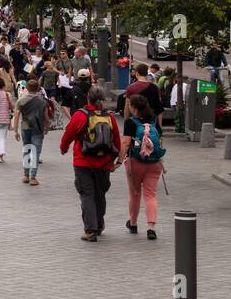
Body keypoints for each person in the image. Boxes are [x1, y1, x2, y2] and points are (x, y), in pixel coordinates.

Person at [59, 86, 122, 242]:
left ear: (88, 98)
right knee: (100, 195)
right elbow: (116, 141)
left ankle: (90, 230)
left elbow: (69, 134)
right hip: (104, 163)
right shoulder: (109, 117)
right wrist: (113, 161)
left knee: (87, 195)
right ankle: (99, 224)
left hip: (83, 162)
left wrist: (63, 148)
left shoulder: (80, 115)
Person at [121, 95, 164, 241]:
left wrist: (119, 161)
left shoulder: (130, 123)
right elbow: (159, 140)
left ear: (134, 107)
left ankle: (133, 223)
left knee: (134, 193)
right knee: (150, 195)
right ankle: (151, 227)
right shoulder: (154, 122)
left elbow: (126, 143)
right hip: (154, 163)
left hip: (135, 162)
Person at [12, 78, 50, 186]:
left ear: (27, 88)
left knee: (27, 149)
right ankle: (33, 177)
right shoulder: (42, 102)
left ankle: (25, 174)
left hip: (25, 125)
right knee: (36, 151)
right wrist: (47, 127)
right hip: (38, 126)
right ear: (38, 88)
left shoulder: (21, 100)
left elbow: (17, 116)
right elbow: (46, 117)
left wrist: (15, 131)